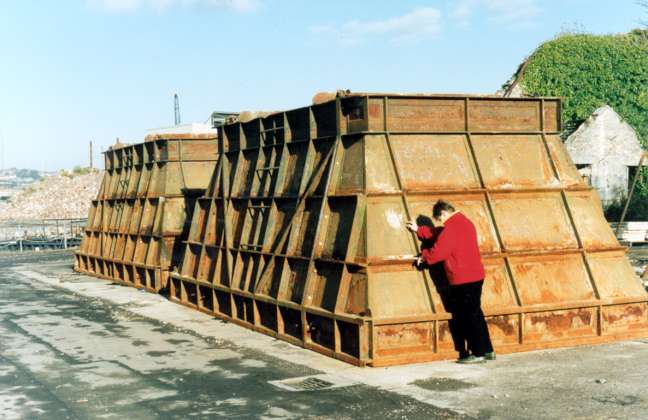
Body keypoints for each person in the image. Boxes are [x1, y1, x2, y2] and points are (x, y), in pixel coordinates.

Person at [406, 200, 495, 364]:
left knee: (467, 316)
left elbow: (439, 252)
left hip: (463, 278)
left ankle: (478, 353)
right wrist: (419, 230)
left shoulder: (451, 228)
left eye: (440, 219)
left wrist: (423, 257)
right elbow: (439, 233)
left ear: (443, 214)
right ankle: (488, 350)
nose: (441, 222)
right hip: (475, 276)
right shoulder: (464, 222)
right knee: (476, 313)